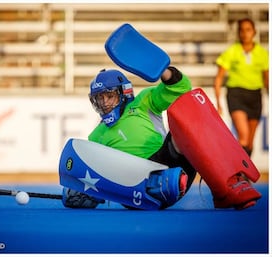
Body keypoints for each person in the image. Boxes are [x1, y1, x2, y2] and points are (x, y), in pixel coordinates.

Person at [62, 65, 261, 210]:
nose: (104, 103)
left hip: (168, 164)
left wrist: (163, 69)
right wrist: (81, 189)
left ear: (124, 93)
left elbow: (181, 88)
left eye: (109, 95)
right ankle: (166, 185)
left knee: (187, 119)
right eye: (99, 98)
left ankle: (227, 187)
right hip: (135, 188)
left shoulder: (142, 102)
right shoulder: (95, 136)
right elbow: (97, 174)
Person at [213, 18, 269, 157]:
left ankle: (245, 174)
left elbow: (267, 78)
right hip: (236, 94)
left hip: (255, 96)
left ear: (254, 32)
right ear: (238, 33)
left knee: (250, 142)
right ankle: (239, 173)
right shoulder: (232, 51)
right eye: (242, 30)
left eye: (248, 30)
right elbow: (219, 78)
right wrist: (218, 103)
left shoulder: (262, 53)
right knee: (243, 137)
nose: (245, 33)